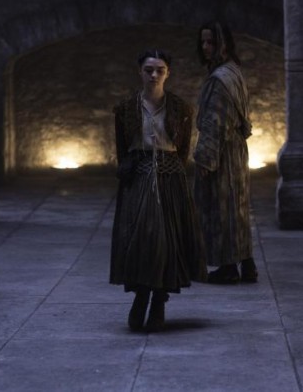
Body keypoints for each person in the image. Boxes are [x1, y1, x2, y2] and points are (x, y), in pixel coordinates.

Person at [110, 49, 207, 332]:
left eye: (160, 70)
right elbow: (122, 148)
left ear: (168, 73)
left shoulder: (180, 108)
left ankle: (159, 300)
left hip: (170, 176)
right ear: (140, 72)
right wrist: (130, 174)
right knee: (141, 238)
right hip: (139, 175)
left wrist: (171, 172)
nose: (154, 75)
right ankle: (141, 295)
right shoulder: (126, 109)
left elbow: (183, 149)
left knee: (167, 239)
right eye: (149, 70)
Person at [193, 21, 257, 284]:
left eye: (211, 42)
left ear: (224, 44)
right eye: (203, 42)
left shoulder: (221, 79)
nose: (206, 47)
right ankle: (247, 263)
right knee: (237, 207)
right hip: (236, 150)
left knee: (223, 208)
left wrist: (205, 159)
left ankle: (229, 267)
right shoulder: (233, 72)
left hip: (224, 153)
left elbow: (214, 122)